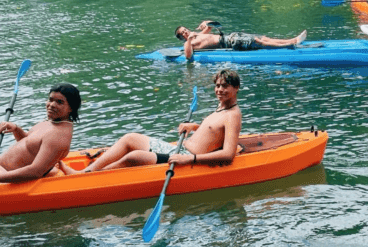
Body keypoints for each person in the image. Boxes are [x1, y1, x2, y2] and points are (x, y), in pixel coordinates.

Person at [59, 69, 242, 174]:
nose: (219, 90)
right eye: (217, 86)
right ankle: (87, 173)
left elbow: (228, 153)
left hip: (186, 158)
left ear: (236, 88)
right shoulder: (221, 107)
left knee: (134, 157)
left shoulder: (233, 114)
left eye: (224, 86)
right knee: (129, 138)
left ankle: (90, 178)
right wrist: (193, 127)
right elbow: (213, 131)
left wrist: (189, 159)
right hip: (178, 149)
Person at [0, 83, 81, 183]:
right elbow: (27, 144)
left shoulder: (58, 136)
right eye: (50, 100)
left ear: (71, 108)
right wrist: (16, 129)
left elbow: (35, 172)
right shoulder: (52, 122)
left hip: (7, 181)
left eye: (59, 102)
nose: (51, 105)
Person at [175, 22, 307, 60]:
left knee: (263, 38)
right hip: (231, 43)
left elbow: (210, 27)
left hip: (232, 36)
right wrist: (190, 38)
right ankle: (291, 44)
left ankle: (291, 40)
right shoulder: (190, 43)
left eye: (185, 29)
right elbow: (188, 56)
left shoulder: (197, 35)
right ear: (182, 37)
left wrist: (206, 22)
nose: (186, 31)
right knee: (258, 42)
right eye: (183, 33)